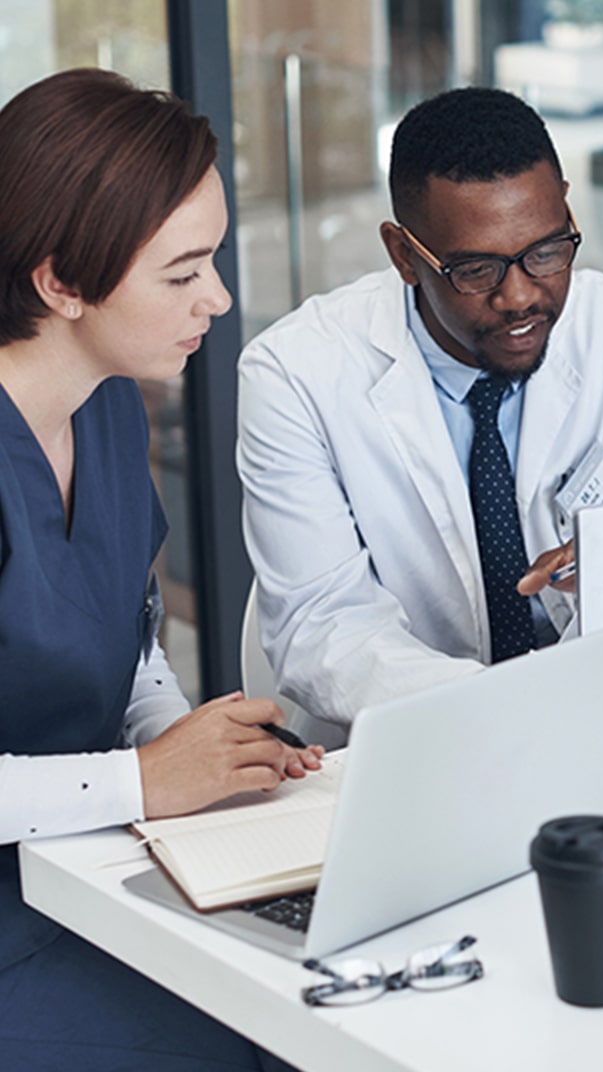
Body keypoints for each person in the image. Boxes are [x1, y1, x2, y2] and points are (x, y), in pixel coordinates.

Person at [0, 68, 321, 1069]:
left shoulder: (106, 405)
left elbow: (125, 636)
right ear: (60, 282)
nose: (217, 299)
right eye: (183, 274)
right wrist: (143, 780)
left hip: (87, 870)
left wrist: (201, 752)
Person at [238, 88, 603, 742]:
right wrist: (526, 703)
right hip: (410, 741)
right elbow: (323, 631)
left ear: (566, 208)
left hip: (602, 720)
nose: (521, 296)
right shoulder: (294, 373)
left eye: (547, 251)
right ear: (404, 255)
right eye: (477, 270)